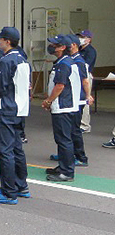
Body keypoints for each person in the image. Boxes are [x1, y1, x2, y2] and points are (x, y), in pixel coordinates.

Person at [0, 27, 31, 204]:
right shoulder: (22, 59)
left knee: (4, 151)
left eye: (0, 39)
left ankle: (8, 191)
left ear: (7, 41)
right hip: (19, 109)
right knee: (17, 148)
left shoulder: (6, 61)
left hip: (6, 109)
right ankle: (20, 185)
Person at [42, 35, 78, 182]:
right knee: (62, 138)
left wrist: (49, 100)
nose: (52, 47)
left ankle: (67, 171)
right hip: (66, 105)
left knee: (64, 139)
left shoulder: (64, 64)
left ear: (63, 47)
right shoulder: (65, 61)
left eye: (55, 45)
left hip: (63, 106)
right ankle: (63, 166)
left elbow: (60, 85)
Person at [54, 34, 91, 167]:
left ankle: (80, 156)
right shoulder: (70, 59)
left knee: (74, 130)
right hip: (73, 99)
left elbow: (85, 80)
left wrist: (88, 96)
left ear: (73, 45)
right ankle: (67, 154)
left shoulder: (79, 61)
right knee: (67, 130)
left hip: (77, 99)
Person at [76, 30, 96, 134]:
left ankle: (85, 125)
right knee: (78, 98)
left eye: (83, 37)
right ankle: (78, 122)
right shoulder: (78, 49)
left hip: (86, 76)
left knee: (85, 99)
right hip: (77, 75)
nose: (80, 39)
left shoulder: (91, 51)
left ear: (89, 39)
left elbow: (86, 66)